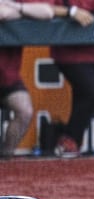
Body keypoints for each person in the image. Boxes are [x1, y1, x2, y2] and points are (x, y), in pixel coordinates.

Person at [50, 0, 94, 157]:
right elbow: (44, 8)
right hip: (66, 51)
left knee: (83, 97)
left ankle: (71, 142)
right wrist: (71, 12)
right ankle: (68, 139)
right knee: (93, 92)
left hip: (91, 49)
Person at [0, 0, 54, 159]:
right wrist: (24, 13)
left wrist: (18, 8)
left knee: (24, 111)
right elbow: (1, 13)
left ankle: (6, 155)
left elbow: (48, 12)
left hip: (8, 77)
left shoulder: (16, 3)